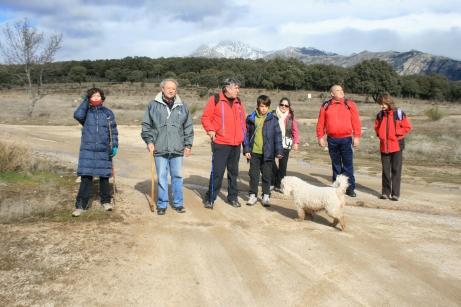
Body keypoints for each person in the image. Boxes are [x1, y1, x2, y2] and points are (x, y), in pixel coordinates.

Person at [141, 79, 194, 215]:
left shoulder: (182, 106)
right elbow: (146, 125)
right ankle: (162, 204)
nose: (171, 90)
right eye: (168, 88)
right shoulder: (153, 105)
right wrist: (149, 141)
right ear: (162, 89)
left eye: (174, 89)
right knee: (162, 176)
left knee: (177, 176)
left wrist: (188, 145)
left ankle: (178, 203)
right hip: (159, 148)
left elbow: (188, 127)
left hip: (177, 148)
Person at [201, 77, 247, 209]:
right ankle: (210, 197)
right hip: (220, 142)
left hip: (235, 143)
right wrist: (210, 130)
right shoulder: (215, 100)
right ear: (227, 88)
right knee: (218, 172)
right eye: (236, 87)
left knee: (233, 173)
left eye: (238, 87)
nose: (238, 90)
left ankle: (232, 197)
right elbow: (206, 118)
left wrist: (244, 141)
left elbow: (242, 123)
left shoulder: (239, 102)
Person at [72, 87, 118, 217]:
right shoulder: (86, 113)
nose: (96, 98)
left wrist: (114, 145)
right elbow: (77, 115)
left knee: (104, 177)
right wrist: (86, 102)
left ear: (102, 97)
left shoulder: (108, 113)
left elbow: (113, 131)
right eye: (93, 96)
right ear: (89, 99)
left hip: (104, 149)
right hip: (88, 150)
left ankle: (106, 201)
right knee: (86, 177)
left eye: (98, 95)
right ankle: (81, 206)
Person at [316, 84, 361, 197]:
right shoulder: (325, 106)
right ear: (332, 94)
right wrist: (320, 137)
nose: (341, 92)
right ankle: (337, 188)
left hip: (346, 139)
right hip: (332, 140)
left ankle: (350, 188)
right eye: (338, 90)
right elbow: (321, 123)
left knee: (347, 165)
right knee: (336, 165)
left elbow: (356, 121)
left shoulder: (349, 104)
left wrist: (356, 137)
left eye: (341, 90)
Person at [244, 95, 283, 207]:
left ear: (269, 107)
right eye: (262, 106)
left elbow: (278, 136)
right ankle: (253, 195)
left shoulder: (273, 119)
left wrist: (279, 151)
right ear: (258, 106)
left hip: (268, 154)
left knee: (267, 176)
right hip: (254, 153)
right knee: (253, 175)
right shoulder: (251, 118)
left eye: (266, 106)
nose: (264, 109)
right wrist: (246, 149)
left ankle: (266, 195)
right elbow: (246, 135)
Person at [374, 92, 412, 201]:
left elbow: (407, 127)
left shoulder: (399, 113)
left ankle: (395, 194)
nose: (381, 106)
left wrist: (397, 133)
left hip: (397, 146)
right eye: (380, 104)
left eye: (382, 104)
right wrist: (380, 135)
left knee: (396, 170)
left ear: (388, 102)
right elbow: (376, 127)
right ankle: (385, 193)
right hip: (384, 147)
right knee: (385, 171)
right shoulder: (380, 115)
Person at [271, 97, 300, 192]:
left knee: (283, 165)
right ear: (279, 105)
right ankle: (274, 178)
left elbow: (295, 130)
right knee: (270, 162)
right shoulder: (272, 114)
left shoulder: (291, 117)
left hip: (285, 143)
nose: (283, 107)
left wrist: (296, 142)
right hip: (273, 142)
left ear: (288, 107)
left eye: (286, 105)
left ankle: (279, 184)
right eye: (282, 105)